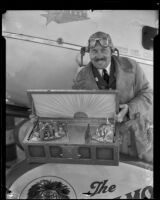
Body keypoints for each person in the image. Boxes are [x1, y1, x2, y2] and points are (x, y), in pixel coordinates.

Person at [72, 31, 153, 163]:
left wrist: (130, 109)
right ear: (89, 53)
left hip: (135, 138)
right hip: (101, 141)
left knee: (137, 175)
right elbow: (76, 110)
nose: (99, 56)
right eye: (94, 51)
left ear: (112, 51)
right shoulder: (80, 78)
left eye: (104, 50)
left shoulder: (132, 66)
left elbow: (147, 94)